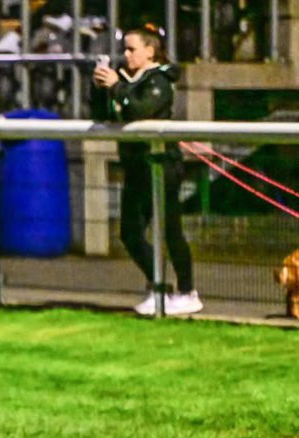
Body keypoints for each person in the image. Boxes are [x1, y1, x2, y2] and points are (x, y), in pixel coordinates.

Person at [92, 24, 201, 316]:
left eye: (131, 49)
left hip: (162, 165)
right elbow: (104, 113)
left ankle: (188, 291)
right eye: (124, 49)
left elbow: (139, 109)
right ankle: (159, 287)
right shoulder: (126, 79)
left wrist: (116, 86)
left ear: (149, 51)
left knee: (170, 230)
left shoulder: (160, 80)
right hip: (136, 166)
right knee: (130, 232)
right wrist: (100, 88)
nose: (125, 55)